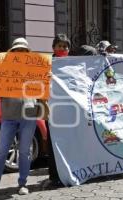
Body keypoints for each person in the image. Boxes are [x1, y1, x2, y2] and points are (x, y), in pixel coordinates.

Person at [0, 38, 42, 198]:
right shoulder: (2, 69)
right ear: (12, 52)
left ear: (27, 53)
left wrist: (46, 76)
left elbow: (42, 87)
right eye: (17, 50)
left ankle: (23, 184)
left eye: (23, 50)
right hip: (8, 116)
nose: (20, 53)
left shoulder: (35, 69)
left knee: (24, 152)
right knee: (1, 152)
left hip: (28, 116)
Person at [41, 33, 71, 190]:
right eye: (60, 46)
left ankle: (68, 173)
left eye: (66, 46)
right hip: (52, 111)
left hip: (70, 113)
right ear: (53, 48)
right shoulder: (45, 64)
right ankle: (54, 177)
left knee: (69, 142)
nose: (63, 49)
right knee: (53, 145)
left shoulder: (73, 65)